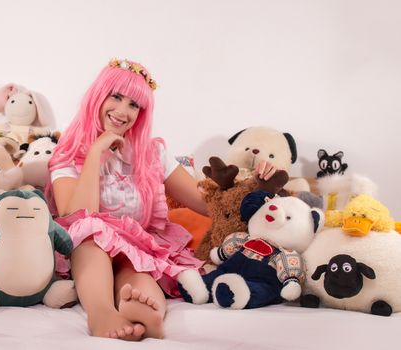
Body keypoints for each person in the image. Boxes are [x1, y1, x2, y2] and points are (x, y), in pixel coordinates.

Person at [47, 58, 278, 341]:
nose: (123, 111)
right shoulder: (68, 153)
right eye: (116, 97)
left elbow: (207, 203)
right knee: (89, 235)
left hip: (136, 248)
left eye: (134, 105)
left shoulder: (151, 154)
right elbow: (77, 215)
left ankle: (145, 312)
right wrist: (96, 152)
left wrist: (256, 185)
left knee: (141, 272)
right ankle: (102, 313)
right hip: (90, 252)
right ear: (98, 96)